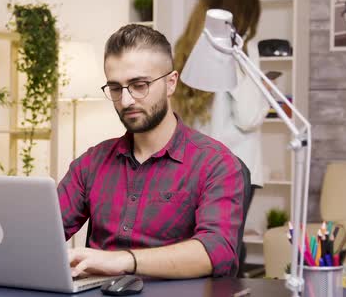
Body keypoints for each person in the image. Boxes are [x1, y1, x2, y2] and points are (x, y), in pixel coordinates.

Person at [58, 24, 244, 279]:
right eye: (115, 88)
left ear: (170, 83)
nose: (126, 101)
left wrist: (123, 261)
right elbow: (44, 234)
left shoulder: (215, 163)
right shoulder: (92, 162)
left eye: (139, 85)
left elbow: (217, 252)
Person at [172, 0, 269, 189]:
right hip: (236, 170)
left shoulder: (192, 44)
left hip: (197, 171)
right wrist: (263, 92)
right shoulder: (241, 49)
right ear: (248, 7)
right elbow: (249, 117)